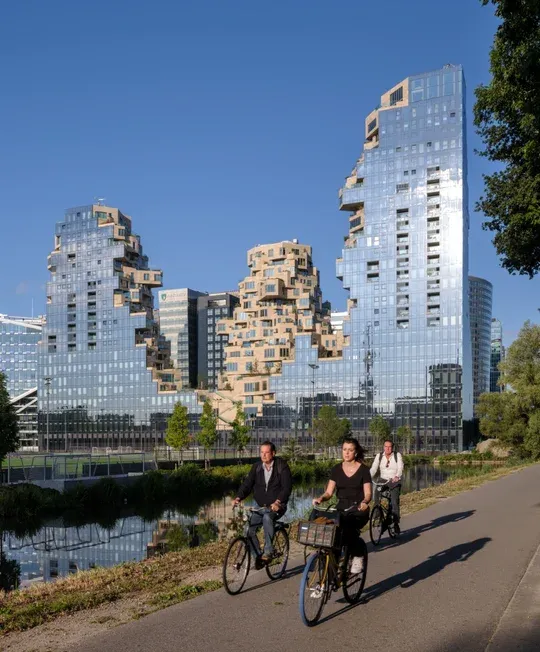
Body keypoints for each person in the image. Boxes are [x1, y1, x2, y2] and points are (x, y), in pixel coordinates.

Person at [312, 437, 371, 574]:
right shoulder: (336, 469)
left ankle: (357, 555)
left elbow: (368, 493)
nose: (347, 453)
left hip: (357, 509)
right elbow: (329, 492)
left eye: (350, 450)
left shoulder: (364, 470)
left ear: (356, 452)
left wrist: (364, 502)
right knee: (331, 537)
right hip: (341, 508)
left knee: (349, 529)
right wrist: (321, 498)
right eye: (344, 449)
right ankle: (326, 579)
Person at [232, 441, 292, 562]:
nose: (263, 455)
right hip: (260, 506)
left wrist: (278, 502)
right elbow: (247, 484)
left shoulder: (282, 466)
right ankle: (258, 556)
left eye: (267, 452)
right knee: (249, 530)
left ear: (273, 453)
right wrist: (238, 497)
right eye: (261, 452)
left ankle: (268, 551)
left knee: (267, 518)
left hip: (277, 506)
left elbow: (287, 487)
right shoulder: (257, 467)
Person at [370, 439, 404, 533]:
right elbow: (373, 468)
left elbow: (400, 467)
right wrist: (367, 477)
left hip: (394, 480)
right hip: (383, 479)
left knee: (394, 501)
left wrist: (397, 476)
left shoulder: (397, 455)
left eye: (390, 447)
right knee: (376, 492)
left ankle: (395, 522)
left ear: (392, 448)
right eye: (386, 446)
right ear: (383, 447)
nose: (388, 448)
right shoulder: (379, 456)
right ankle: (377, 513)